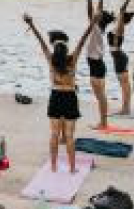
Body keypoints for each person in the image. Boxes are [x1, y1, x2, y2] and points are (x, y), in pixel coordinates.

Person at [24, 14, 92, 173]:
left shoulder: (51, 60)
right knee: (69, 135)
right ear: (66, 50)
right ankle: (72, 168)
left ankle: (54, 166)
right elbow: (83, 40)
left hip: (55, 96)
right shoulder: (72, 60)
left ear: (55, 50)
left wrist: (31, 25)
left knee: (54, 134)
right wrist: (94, 22)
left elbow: (41, 42)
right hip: (70, 97)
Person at [108, 0, 134, 116]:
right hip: (118, 56)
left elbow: (122, 10)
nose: (116, 16)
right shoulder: (117, 26)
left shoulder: (120, 27)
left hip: (119, 57)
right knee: (124, 84)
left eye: (120, 16)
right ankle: (125, 107)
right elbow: (121, 10)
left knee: (125, 84)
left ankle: (125, 109)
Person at [85, 0, 111, 129]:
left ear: (99, 19)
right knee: (102, 96)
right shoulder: (100, 28)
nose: (97, 14)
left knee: (100, 97)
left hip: (96, 66)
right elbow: (98, 10)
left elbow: (90, 12)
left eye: (99, 15)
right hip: (98, 65)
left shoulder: (95, 28)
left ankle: (103, 123)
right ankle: (103, 122)